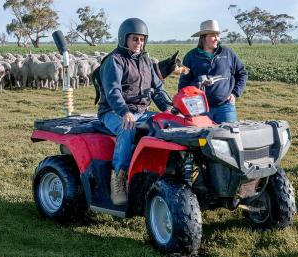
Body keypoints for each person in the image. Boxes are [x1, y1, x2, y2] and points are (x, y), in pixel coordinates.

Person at [97, 18, 165, 205]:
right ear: (124, 39)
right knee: (128, 127)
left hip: (142, 110)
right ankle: (118, 179)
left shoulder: (146, 61)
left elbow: (158, 89)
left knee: (168, 124)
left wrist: (169, 109)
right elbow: (113, 92)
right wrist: (124, 111)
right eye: (135, 39)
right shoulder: (114, 61)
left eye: (142, 39)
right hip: (112, 111)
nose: (139, 43)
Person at [179, 19, 247, 123]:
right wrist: (184, 103)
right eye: (213, 36)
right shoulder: (191, 56)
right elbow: (184, 82)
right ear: (203, 38)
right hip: (199, 108)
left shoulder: (228, 53)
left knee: (228, 135)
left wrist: (235, 93)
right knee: (202, 138)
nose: (217, 39)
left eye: (218, 35)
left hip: (225, 107)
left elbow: (242, 73)